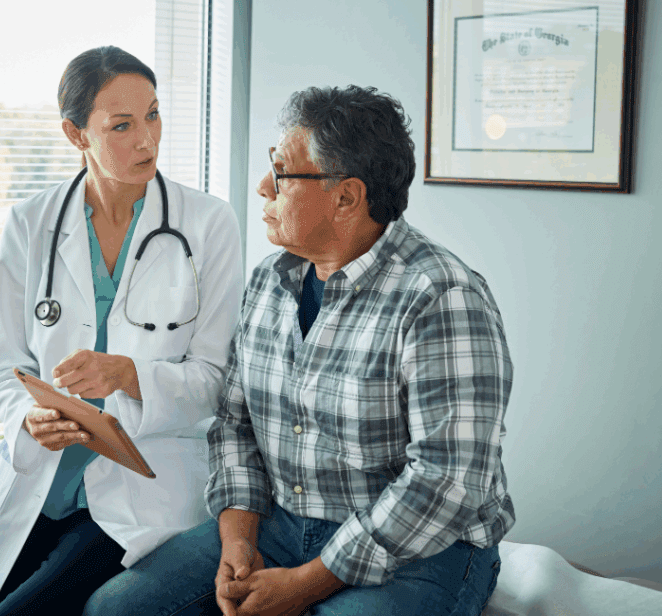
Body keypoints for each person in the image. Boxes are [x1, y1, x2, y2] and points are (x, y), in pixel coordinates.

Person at [84, 85, 515, 616]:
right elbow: (236, 424)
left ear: (346, 197)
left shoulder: (441, 297)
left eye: (283, 172)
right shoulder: (270, 280)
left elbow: (446, 481)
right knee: (114, 609)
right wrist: (238, 540)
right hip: (282, 523)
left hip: (422, 548)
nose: (264, 186)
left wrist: (307, 584)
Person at [0, 46, 243, 616]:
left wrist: (130, 375)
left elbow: (217, 380)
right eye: (121, 125)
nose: (147, 140)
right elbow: (4, 364)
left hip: (144, 483)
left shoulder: (209, 223)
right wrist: (28, 417)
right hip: (43, 478)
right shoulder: (30, 224)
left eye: (153, 115)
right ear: (75, 134)